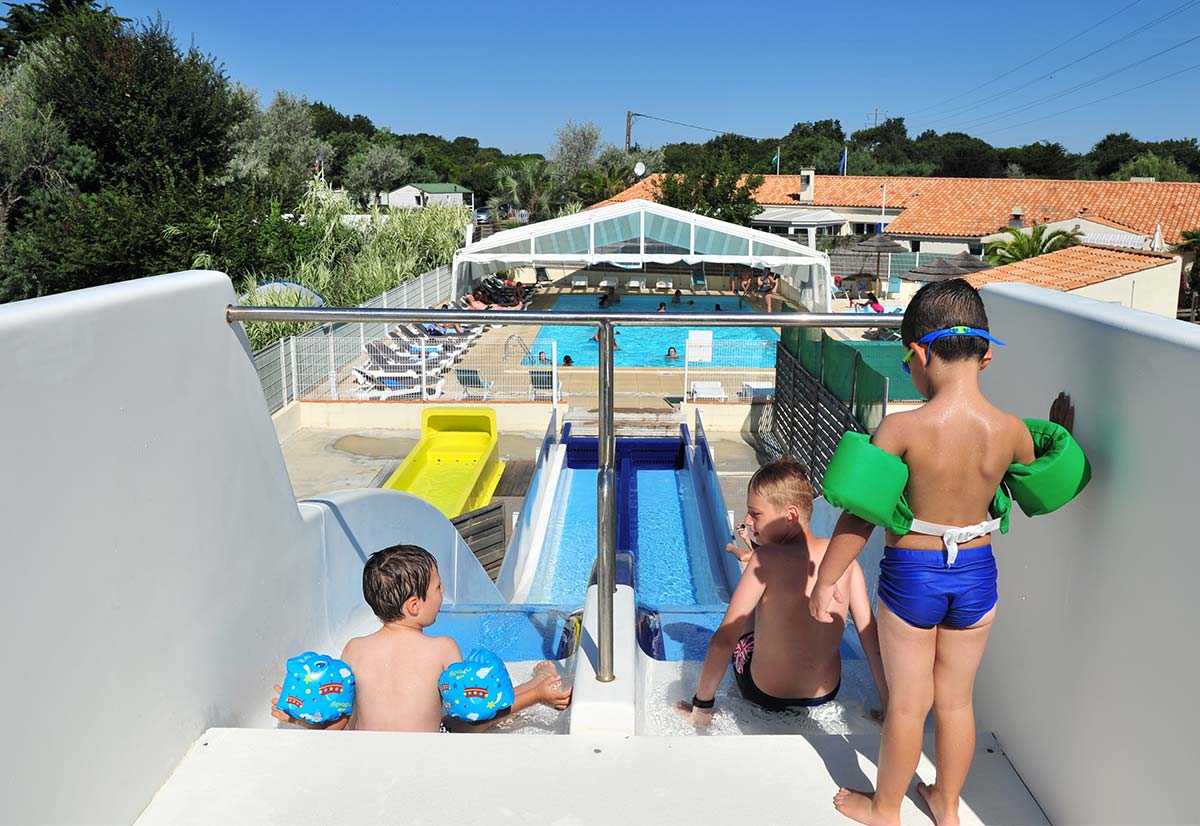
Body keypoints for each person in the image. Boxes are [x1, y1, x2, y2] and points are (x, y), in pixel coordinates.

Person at [809, 279, 1074, 826]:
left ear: (920, 353)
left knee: (910, 703)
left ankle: (886, 809)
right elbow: (1044, 475)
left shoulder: (902, 428)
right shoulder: (1010, 433)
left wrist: (826, 580)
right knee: (955, 701)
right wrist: (1063, 428)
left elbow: (861, 512)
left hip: (913, 576)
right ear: (987, 357)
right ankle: (947, 805)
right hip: (977, 573)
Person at [272, 545, 571, 732]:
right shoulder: (442, 648)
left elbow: (339, 722)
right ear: (414, 605)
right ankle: (537, 690)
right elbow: (470, 717)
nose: (443, 594)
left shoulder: (355, 648)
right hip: (427, 754)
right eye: (439, 588)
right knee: (478, 709)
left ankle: (536, 684)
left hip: (364, 757)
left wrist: (302, 719)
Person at [677, 460, 887, 724]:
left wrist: (703, 706)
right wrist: (889, 706)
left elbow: (724, 639)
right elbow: (872, 641)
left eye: (756, 514)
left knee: (746, 614)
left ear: (790, 515)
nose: (747, 521)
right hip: (825, 692)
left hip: (764, 692)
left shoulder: (765, 559)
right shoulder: (846, 562)